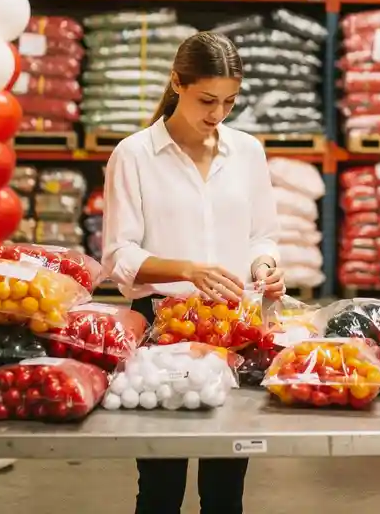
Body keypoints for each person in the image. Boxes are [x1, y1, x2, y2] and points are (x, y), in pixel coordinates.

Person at [102, 30, 286, 514]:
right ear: (177, 84)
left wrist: (264, 266)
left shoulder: (247, 152)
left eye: (229, 102)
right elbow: (118, 256)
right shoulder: (135, 155)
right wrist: (186, 269)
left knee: (227, 488)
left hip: (232, 326)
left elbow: (261, 234)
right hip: (162, 330)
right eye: (207, 99)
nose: (217, 113)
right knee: (160, 485)